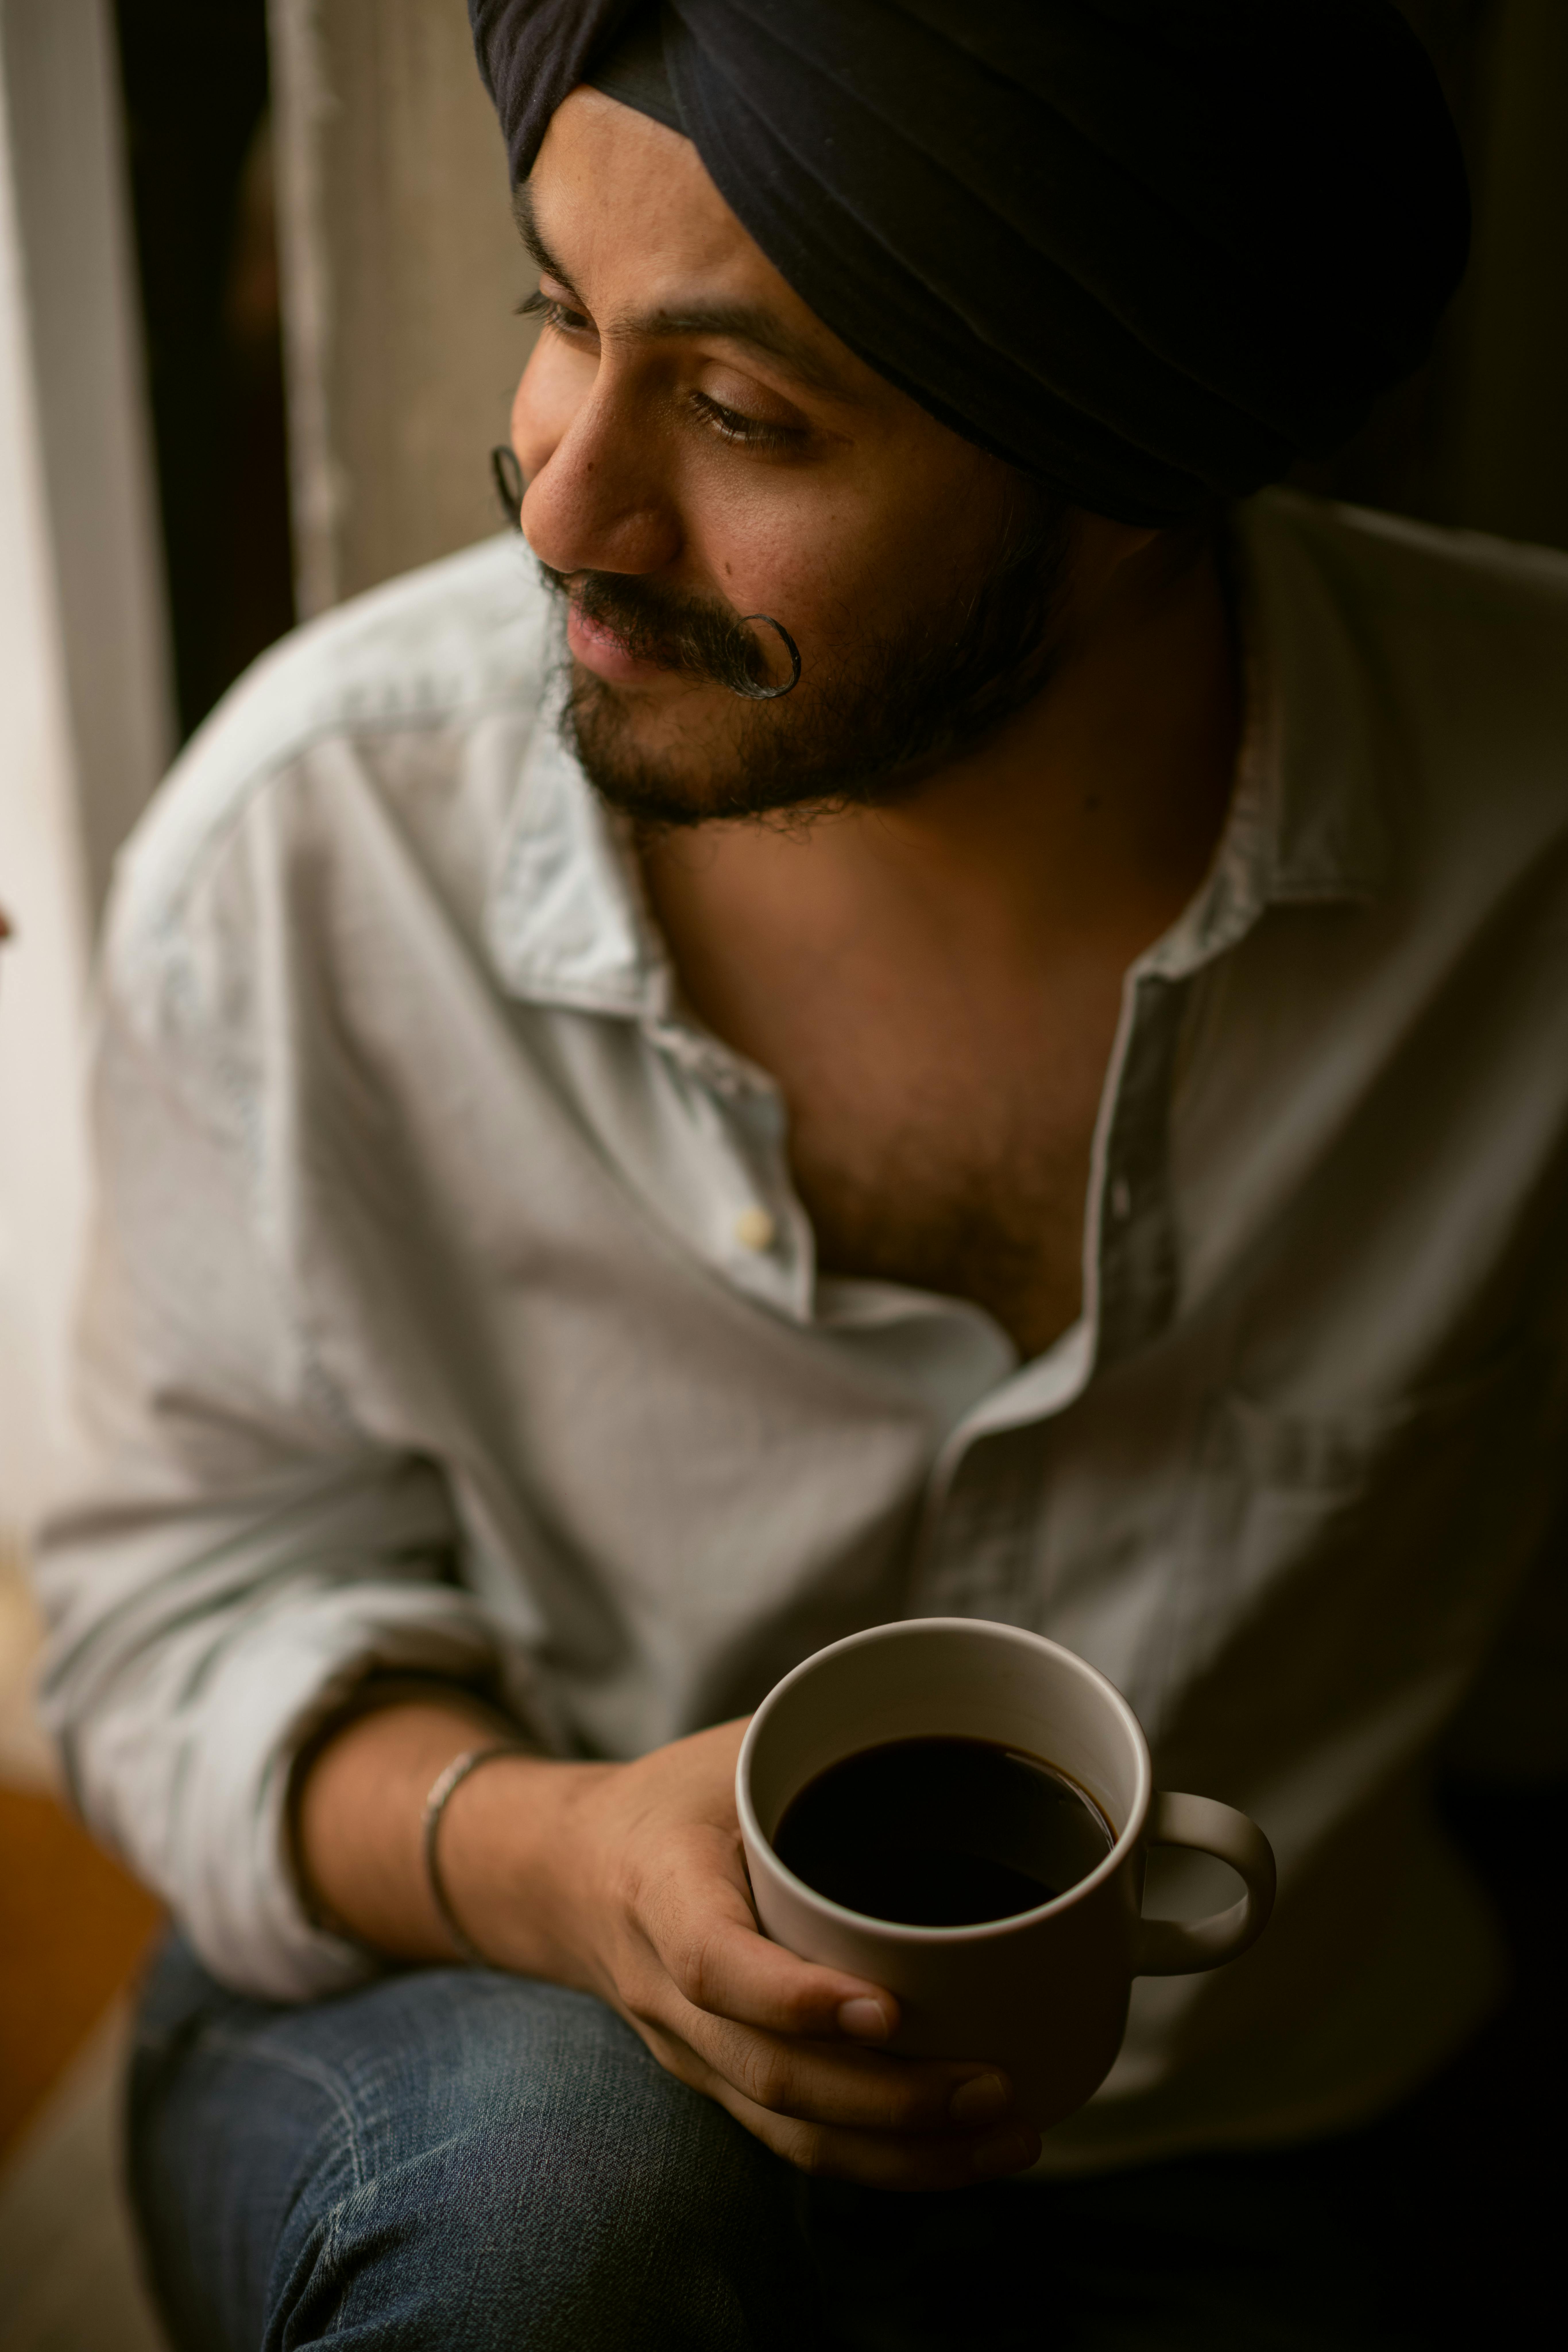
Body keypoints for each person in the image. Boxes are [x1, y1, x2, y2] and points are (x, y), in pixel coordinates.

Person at [35, 3, 1568, 2346]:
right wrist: (563, 1867)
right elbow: (172, 1619)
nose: (557, 503)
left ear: (1125, 468)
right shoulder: (322, 851)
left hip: (1251, 2104)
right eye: (562, 316)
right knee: (570, 2217)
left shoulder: (1526, 844)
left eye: (745, 415)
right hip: (482, 2000)